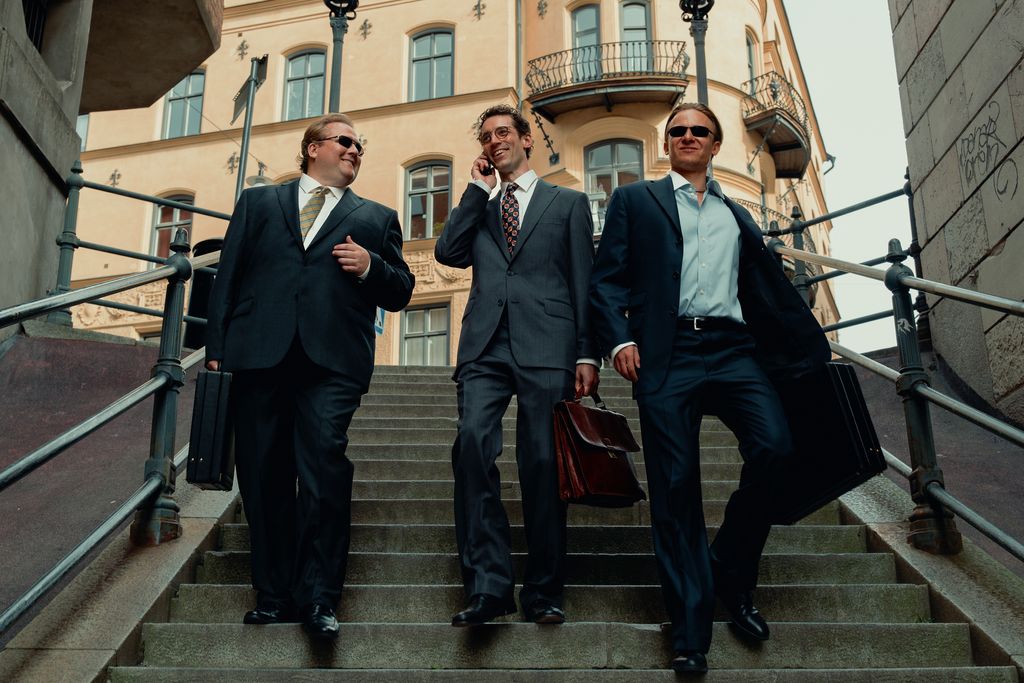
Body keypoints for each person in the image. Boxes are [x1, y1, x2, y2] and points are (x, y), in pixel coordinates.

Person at [589, 103, 829, 673]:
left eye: (699, 131)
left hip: (733, 350)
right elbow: (606, 280)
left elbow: (763, 286)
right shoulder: (635, 201)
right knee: (674, 487)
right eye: (678, 131)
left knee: (776, 448)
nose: (688, 136)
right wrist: (619, 341)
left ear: (716, 145)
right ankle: (690, 632)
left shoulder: (736, 213)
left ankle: (730, 568)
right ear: (666, 144)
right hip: (666, 352)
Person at [205, 113, 414, 640]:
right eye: (345, 141)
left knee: (323, 466)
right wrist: (217, 350)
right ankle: (273, 595)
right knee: (264, 475)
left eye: (359, 145)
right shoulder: (259, 203)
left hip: (332, 362)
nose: (354, 150)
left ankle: (319, 597)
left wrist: (371, 266)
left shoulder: (377, 217)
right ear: (312, 147)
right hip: (259, 355)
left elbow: (402, 289)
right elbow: (229, 276)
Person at [435, 104, 599, 627]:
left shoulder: (567, 202)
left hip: (549, 343)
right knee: (471, 445)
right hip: (485, 344)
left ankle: (544, 591)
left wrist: (587, 351)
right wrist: (475, 190)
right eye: (486, 136)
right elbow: (448, 253)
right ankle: (488, 587)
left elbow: (583, 279)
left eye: (503, 132)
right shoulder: (480, 205)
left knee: (543, 464)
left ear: (527, 139)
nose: (494, 141)